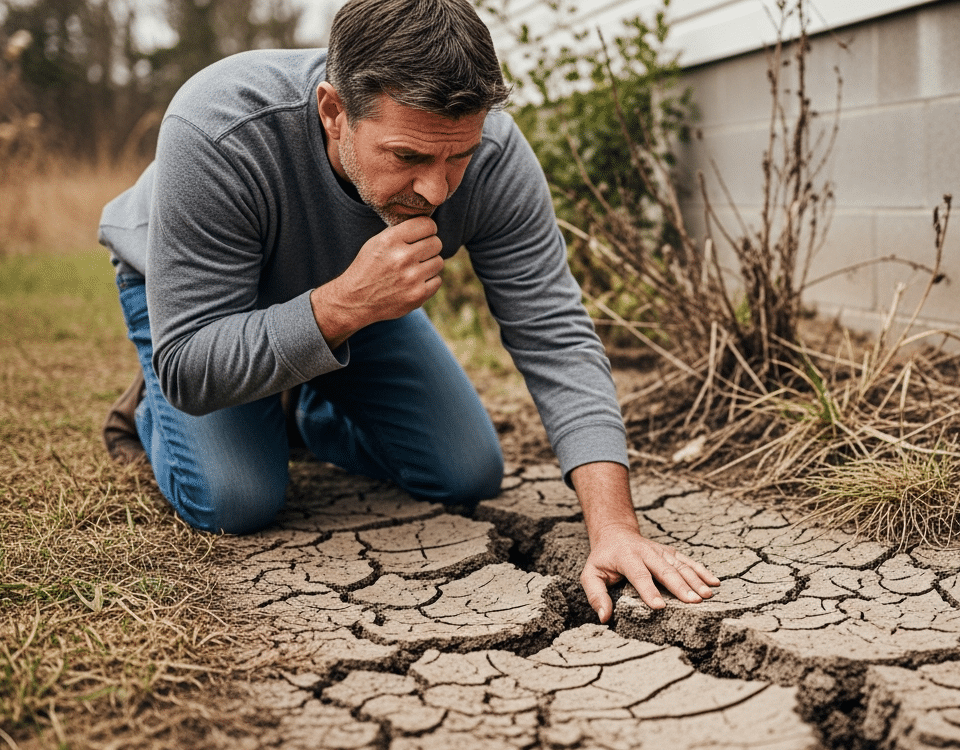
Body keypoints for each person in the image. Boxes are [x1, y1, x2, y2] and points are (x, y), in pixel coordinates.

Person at [96, 0, 717, 623]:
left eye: (458, 156)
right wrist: (344, 303)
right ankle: (151, 409)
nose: (437, 191)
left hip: (360, 298)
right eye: (408, 157)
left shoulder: (494, 153)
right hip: (207, 308)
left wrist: (614, 526)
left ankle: (298, 406)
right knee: (237, 499)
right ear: (334, 112)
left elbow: (554, 332)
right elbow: (191, 364)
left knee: (466, 472)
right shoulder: (219, 127)